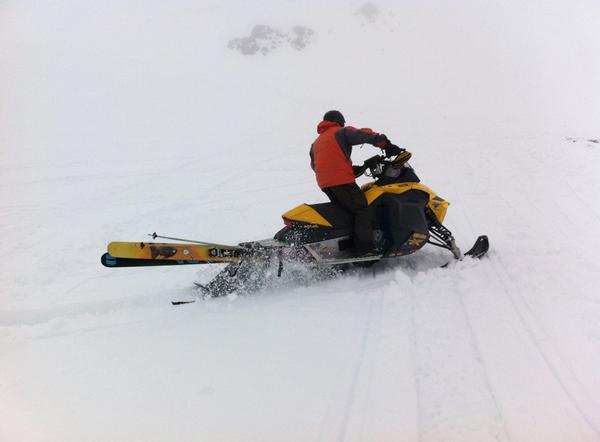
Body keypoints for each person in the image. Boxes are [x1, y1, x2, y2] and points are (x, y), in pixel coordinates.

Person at [309, 110, 401, 255]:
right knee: (361, 209)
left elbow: (316, 166)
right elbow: (362, 135)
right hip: (341, 181)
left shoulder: (315, 143)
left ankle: (346, 246)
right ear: (340, 121)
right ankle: (365, 250)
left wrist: (350, 170)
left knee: (346, 212)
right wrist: (384, 143)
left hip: (325, 184)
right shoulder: (341, 132)